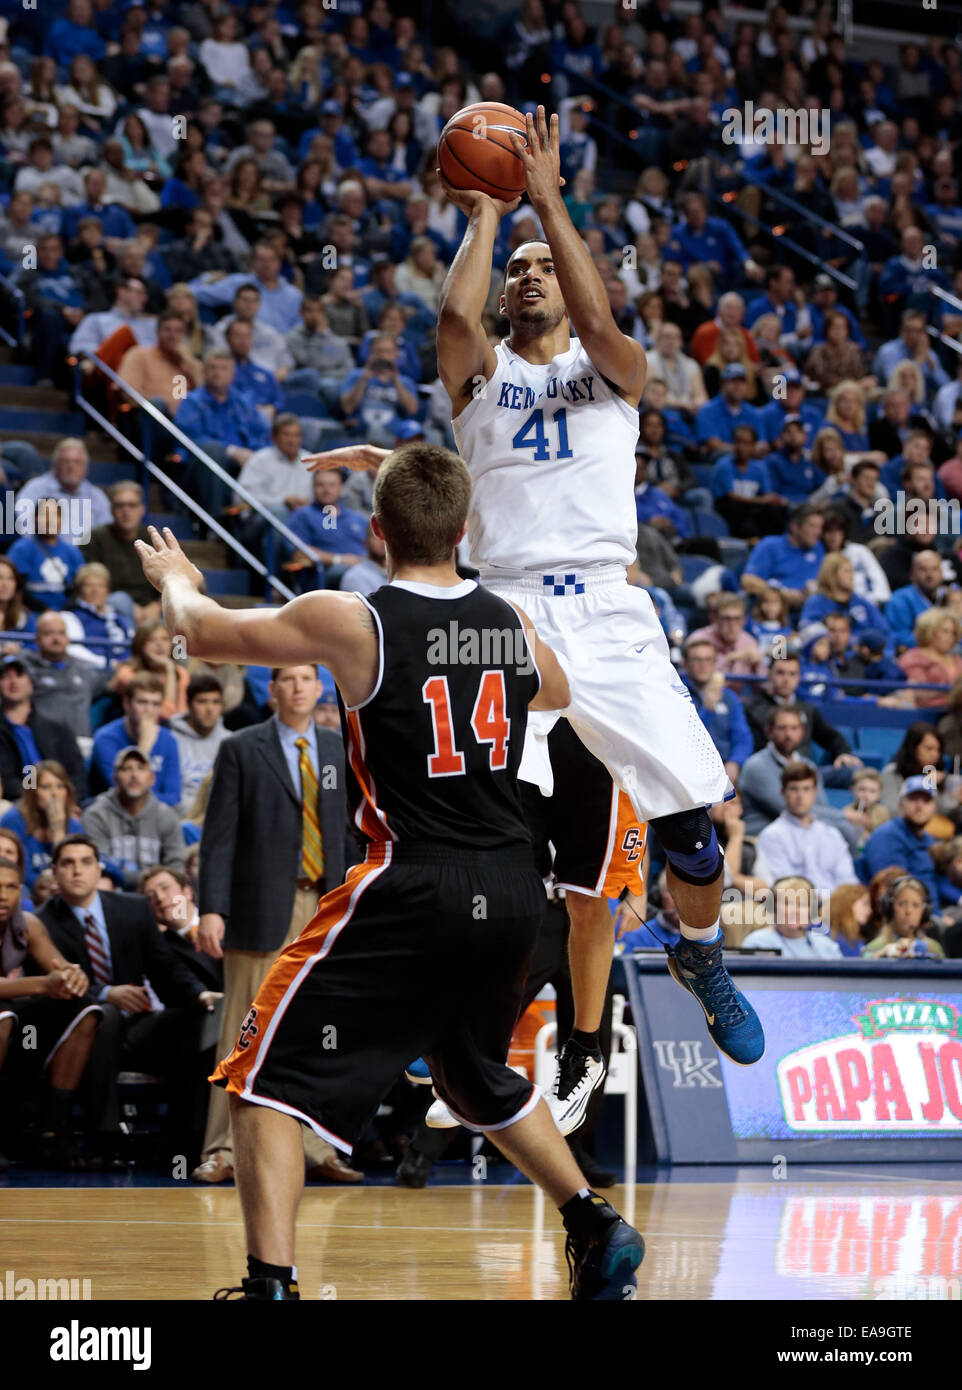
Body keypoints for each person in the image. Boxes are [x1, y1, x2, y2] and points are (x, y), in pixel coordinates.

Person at [306, 112, 764, 1146]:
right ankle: (455, 1025)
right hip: (503, 609)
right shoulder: (478, 384)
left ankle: (696, 956)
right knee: (464, 838)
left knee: (692, 829)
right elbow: (450, 327)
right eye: (515, 269)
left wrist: (549, 205)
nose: (524, 277)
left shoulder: (615, 374)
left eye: (537, 268)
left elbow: (601, 323)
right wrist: (484, 213)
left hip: (606, 608)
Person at [137, 442, 644, 1302]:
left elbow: (204, 631)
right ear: (464, 529)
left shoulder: (353, 619)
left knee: (257, 1079)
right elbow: (555, 691)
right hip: (514, 891)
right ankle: (595, 1224)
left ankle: (271, 1285)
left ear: (377, 532)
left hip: (415, 883)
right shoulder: (508, 625)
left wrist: (178, 577)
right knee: (472, 1074)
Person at [187, 662, 357, 1187]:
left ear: (320, 688)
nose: (301, 687)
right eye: (289, 679)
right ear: (272, 690)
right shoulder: (241, 747)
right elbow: (218, 838)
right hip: (259, 907)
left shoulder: (338, 749)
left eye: (309, 678)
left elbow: (351, 833)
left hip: (323, 908)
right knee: (242, 1031)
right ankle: (222, 1149)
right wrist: (212, 907)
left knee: (316, 1031)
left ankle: (316, 1146)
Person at [38, 834, 221, 1166]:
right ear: (55, 872)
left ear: (98, 870)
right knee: (104, 1013)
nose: (77, 871)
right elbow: (55, 984)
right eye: (67, 863)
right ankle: (105, 1137)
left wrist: (199, 994)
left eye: (86, 862)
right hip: (74, 1030)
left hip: (138, 1026)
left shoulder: (133, 909)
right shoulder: (43, 921)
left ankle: (189, 1142)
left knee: (201, 1022)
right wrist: (108, 993)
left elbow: (163, 966)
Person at [0, 852, 99, 1170]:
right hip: (5, 1018)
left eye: (12, 887)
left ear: (21, 891)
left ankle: (52, 1132)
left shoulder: (28, 924)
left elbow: (60, 967)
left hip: (17, 1022)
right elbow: (43, 982)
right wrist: (46, 984)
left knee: (85, 1009)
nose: (3, 895)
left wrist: (74, 977)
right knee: (2, 1019)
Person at [83, 746, 187, 889]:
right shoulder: (95, 815)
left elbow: (176, 864)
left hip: (157, 890)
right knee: (102, 884)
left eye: (141, 768)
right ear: (115, 778)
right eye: (126, 769)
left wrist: (155, 883)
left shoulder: (167, 816)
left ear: (152, 779)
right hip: (116, 890)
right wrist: (146, 879)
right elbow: (100, 865)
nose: (134, 775)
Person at [754, 761, 857, 890]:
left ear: (815, 792)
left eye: (806, 789)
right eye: (794, 789)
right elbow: (784, 888)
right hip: (797, 907)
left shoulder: (832, 835)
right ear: (783, 792)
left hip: (835, 905)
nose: (800, 796)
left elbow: (848, 881)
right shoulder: (772, 836)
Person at [859, 778, 959, 910]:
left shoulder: (928, 839)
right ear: (901, 804)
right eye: (913, 799)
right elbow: (893, 891)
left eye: (926, 801)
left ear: (934, 807)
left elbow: (938, 880)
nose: (919, 806)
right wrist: (932, 918)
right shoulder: (887, 836)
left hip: (935, 911)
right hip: (907, 918)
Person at [0, 654, 87, 803]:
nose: (13, 681)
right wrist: (36, 801)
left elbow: (77, 772)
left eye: (19, 675)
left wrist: (69, 801)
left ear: (31, 683)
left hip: (62, 801)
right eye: (6, 676)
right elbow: (7, 780)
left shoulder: (56, 727)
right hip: (18, 804)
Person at [90, 670, 181, 806]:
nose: (149, 710)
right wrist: (144, 747)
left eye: (155, 704)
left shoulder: (169, 740)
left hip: (157, 817)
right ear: (127, 704)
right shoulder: (105, 739)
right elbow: (128, 794)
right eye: (142, 702)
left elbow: (173, 797)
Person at [22, 611, 108, 741]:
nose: (56, 638)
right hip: (45, 741)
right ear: (37, 639)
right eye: (48, 633)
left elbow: (113, 681)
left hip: (81, 742)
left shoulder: (82, 669)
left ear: (68, 638)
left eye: (61, 633)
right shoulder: (26, 668)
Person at [0, 759, 84, 891]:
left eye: (60, 786)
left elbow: (77, 868)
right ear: (32, 792)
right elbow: (19, 872)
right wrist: (44, 883)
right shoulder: (13, 821)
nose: (54, 793)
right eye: (46, 787)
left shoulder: (73, 825)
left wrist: (58, 831)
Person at [140, 864, 222, 993]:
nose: (160, 898)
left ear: (187, 892)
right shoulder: (158, 950)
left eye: (165, 888)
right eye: (150, 897)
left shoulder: (224, 920)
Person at [79, 482, 157, 619]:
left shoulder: (153, 539)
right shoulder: (95, 538)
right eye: (120, 506)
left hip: (150, 608)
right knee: (120, 601)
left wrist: (156, 605)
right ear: (111, 510)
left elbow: (168, 578)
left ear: (142, 509)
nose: (126, 511)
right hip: (110, 604)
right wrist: (131, 608)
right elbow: (90, 583)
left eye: (132, 505)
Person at [15, 438, 111, 545]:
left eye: (77, 462)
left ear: (86, 467)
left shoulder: (97, 497)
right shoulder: (35, 489)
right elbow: (23, 527)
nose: (71, 466)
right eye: (66, 461)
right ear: (55, 465)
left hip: (85, 557)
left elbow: (106, 535)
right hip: (43, 553)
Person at [168, 673, 229, 817]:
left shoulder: (230, 742)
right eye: (202, 701)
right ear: (188, 704)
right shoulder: (170, 740)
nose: (209, 709)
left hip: (220, 818)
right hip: (180, 820)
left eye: (216, 702)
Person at [740, 876, 843, 959]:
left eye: (802, 904)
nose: (795, 911)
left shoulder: (827, 947)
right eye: (787, 903)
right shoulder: (757, 943)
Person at [862, 874, 945, 959]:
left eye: (915, 905)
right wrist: (881, 955)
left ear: (924, 912)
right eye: (902, 904)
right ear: (890, 908)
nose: (908, 911)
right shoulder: (874, 948)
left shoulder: (933, 948)